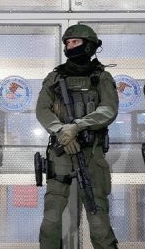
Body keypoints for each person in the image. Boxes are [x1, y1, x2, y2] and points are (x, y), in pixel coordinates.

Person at [35, 24, 119, 249]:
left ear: (89, 46)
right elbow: (42, 110)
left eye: (75, 42)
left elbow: (108, 109)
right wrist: (62, 132)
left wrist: (77, 127)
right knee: (52, 216)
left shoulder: (101, 77)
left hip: (91, 152)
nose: (70, 46)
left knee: (97, 214)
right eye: (67, 43)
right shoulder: (54, 78)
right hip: (61, 152)